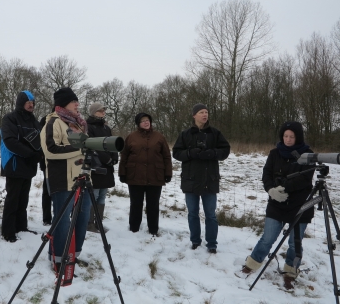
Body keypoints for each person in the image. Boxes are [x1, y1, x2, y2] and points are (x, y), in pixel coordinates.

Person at [236, 121, 315, 290]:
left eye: (291, 136)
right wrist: (271, 189)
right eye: (285, 136)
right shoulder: (274, 153)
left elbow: (305, 179)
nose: (288, 139)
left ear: (298, 137)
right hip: (276, 204)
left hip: (299, 206)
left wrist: (284, 188)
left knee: (295, 243)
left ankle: (290, 272)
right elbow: (267, 174)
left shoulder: (308, 154)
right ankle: (252, 263)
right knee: (268, 238)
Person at [40, 87, 90, 269]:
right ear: (62, 104)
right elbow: (51, 150)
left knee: (82, 218)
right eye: (73, 101)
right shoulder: (53, 123)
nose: (77, 104)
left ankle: (74, 255)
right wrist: (80, 148)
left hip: (82, 178)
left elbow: (87, 150)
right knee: (62, 220)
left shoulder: (79, 124)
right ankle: (58, 259)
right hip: (61, 179)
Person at [172, 103, 230, 253]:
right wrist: (190, 153)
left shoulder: (215, 133)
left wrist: (212, 153)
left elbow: (225, 150)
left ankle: (212, 243)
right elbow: (176, 153)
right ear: (194, 115)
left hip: (209, 180)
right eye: (201, 112)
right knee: (192, 213)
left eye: (206, 112)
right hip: (190, 180)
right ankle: (195, 241)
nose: (205, 115)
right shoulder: (185, 134)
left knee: (210, 215)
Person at [118, 112, 172, 236]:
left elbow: (167, 156)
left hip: (155, 176)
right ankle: (134, 229)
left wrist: (167, 173)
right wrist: (122, 173)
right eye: (143, 121)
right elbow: (124, 156)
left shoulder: (159, 137)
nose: (146, 122)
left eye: (147, 120)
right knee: (136, 203)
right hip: (135, 175)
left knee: (153, 204)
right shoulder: (131, 137)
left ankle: (153, 230)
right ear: (138, 124)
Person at [0, 90, 42, 242]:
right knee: (13, 199)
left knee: (23, 200)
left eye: (32, 103)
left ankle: (21, 228)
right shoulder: (10, 119)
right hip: (15, 164)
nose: (31, 105)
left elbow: (40, 140)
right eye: (28, 102)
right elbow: (10, 141)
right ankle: (8, 231)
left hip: (29, 166)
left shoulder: (34, 121)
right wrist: (30, 154)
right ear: (20, 103)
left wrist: (40, 154)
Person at [86, 102, 118, 233]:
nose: (103, 112)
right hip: (96, 165)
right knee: (95, 193)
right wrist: (107, 159)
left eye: (104, 110)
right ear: (93, 112)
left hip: (107, 167)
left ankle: (99, 223)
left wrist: (115, 157)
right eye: (100, 111)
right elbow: (93, 146)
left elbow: (112, 143)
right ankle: (89, 223)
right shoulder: (89, 127)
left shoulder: (106, 128)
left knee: (103, 195)